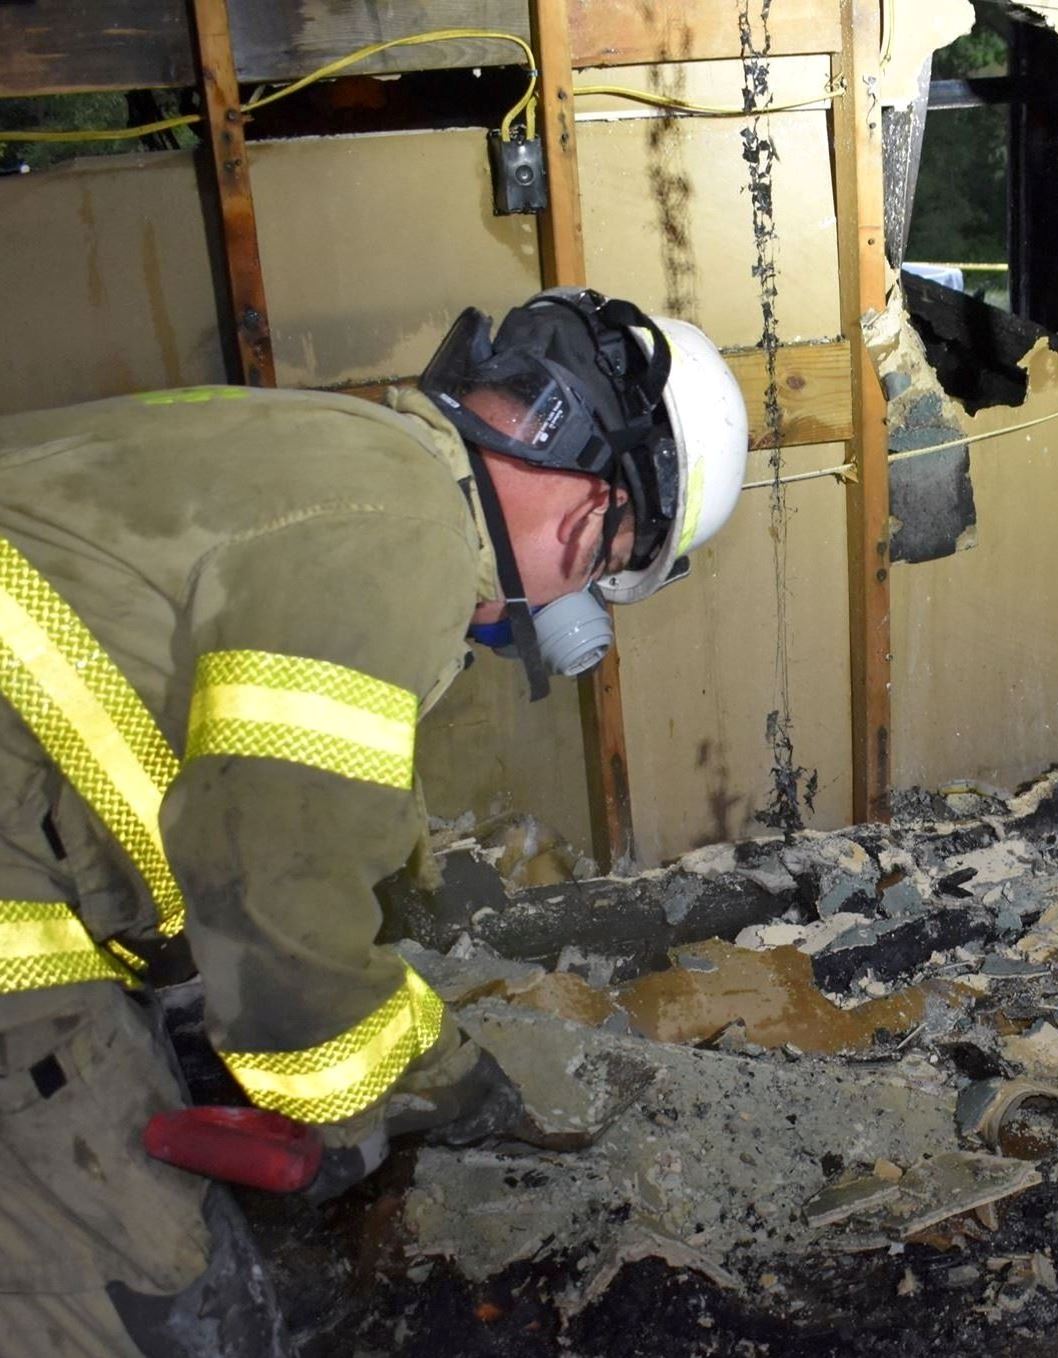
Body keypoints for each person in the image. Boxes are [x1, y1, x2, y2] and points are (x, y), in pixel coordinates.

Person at [0, 287, 749, 1353]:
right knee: (180, 1302)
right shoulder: (407, 541)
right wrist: (409, 1088)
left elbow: (237, 794)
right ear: (598, 513)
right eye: (604, 566)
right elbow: (275, 888)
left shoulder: (358, 453)